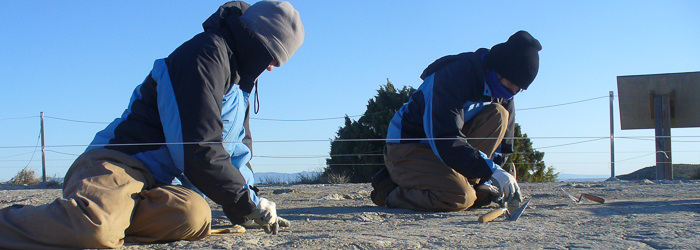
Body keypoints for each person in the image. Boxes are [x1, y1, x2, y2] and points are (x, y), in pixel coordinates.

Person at [0, 1, 304, 248]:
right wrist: (245, 201)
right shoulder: (203, 56)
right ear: (256, 40)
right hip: (117, 165)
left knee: (194, 216)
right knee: (92, 231)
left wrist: (246, 207)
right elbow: (196, 149)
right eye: (272, 57)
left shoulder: (240, 84)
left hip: (157, 184)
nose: (271, 67)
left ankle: (109, 221)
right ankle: (64, 221)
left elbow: (236, 150)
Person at [371, 30, 541, 212]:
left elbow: (504, 146)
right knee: (461, 198)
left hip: (446, 152)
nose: (510, 93)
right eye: (508, 85)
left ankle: (468, 185)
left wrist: (495, 173)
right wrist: (489, 170)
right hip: (409, 147)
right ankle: (391, 190)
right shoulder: (452, 77)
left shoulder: (506, 90)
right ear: (496, 68)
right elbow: (445, 139)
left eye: (517, 90)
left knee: (499, 114)